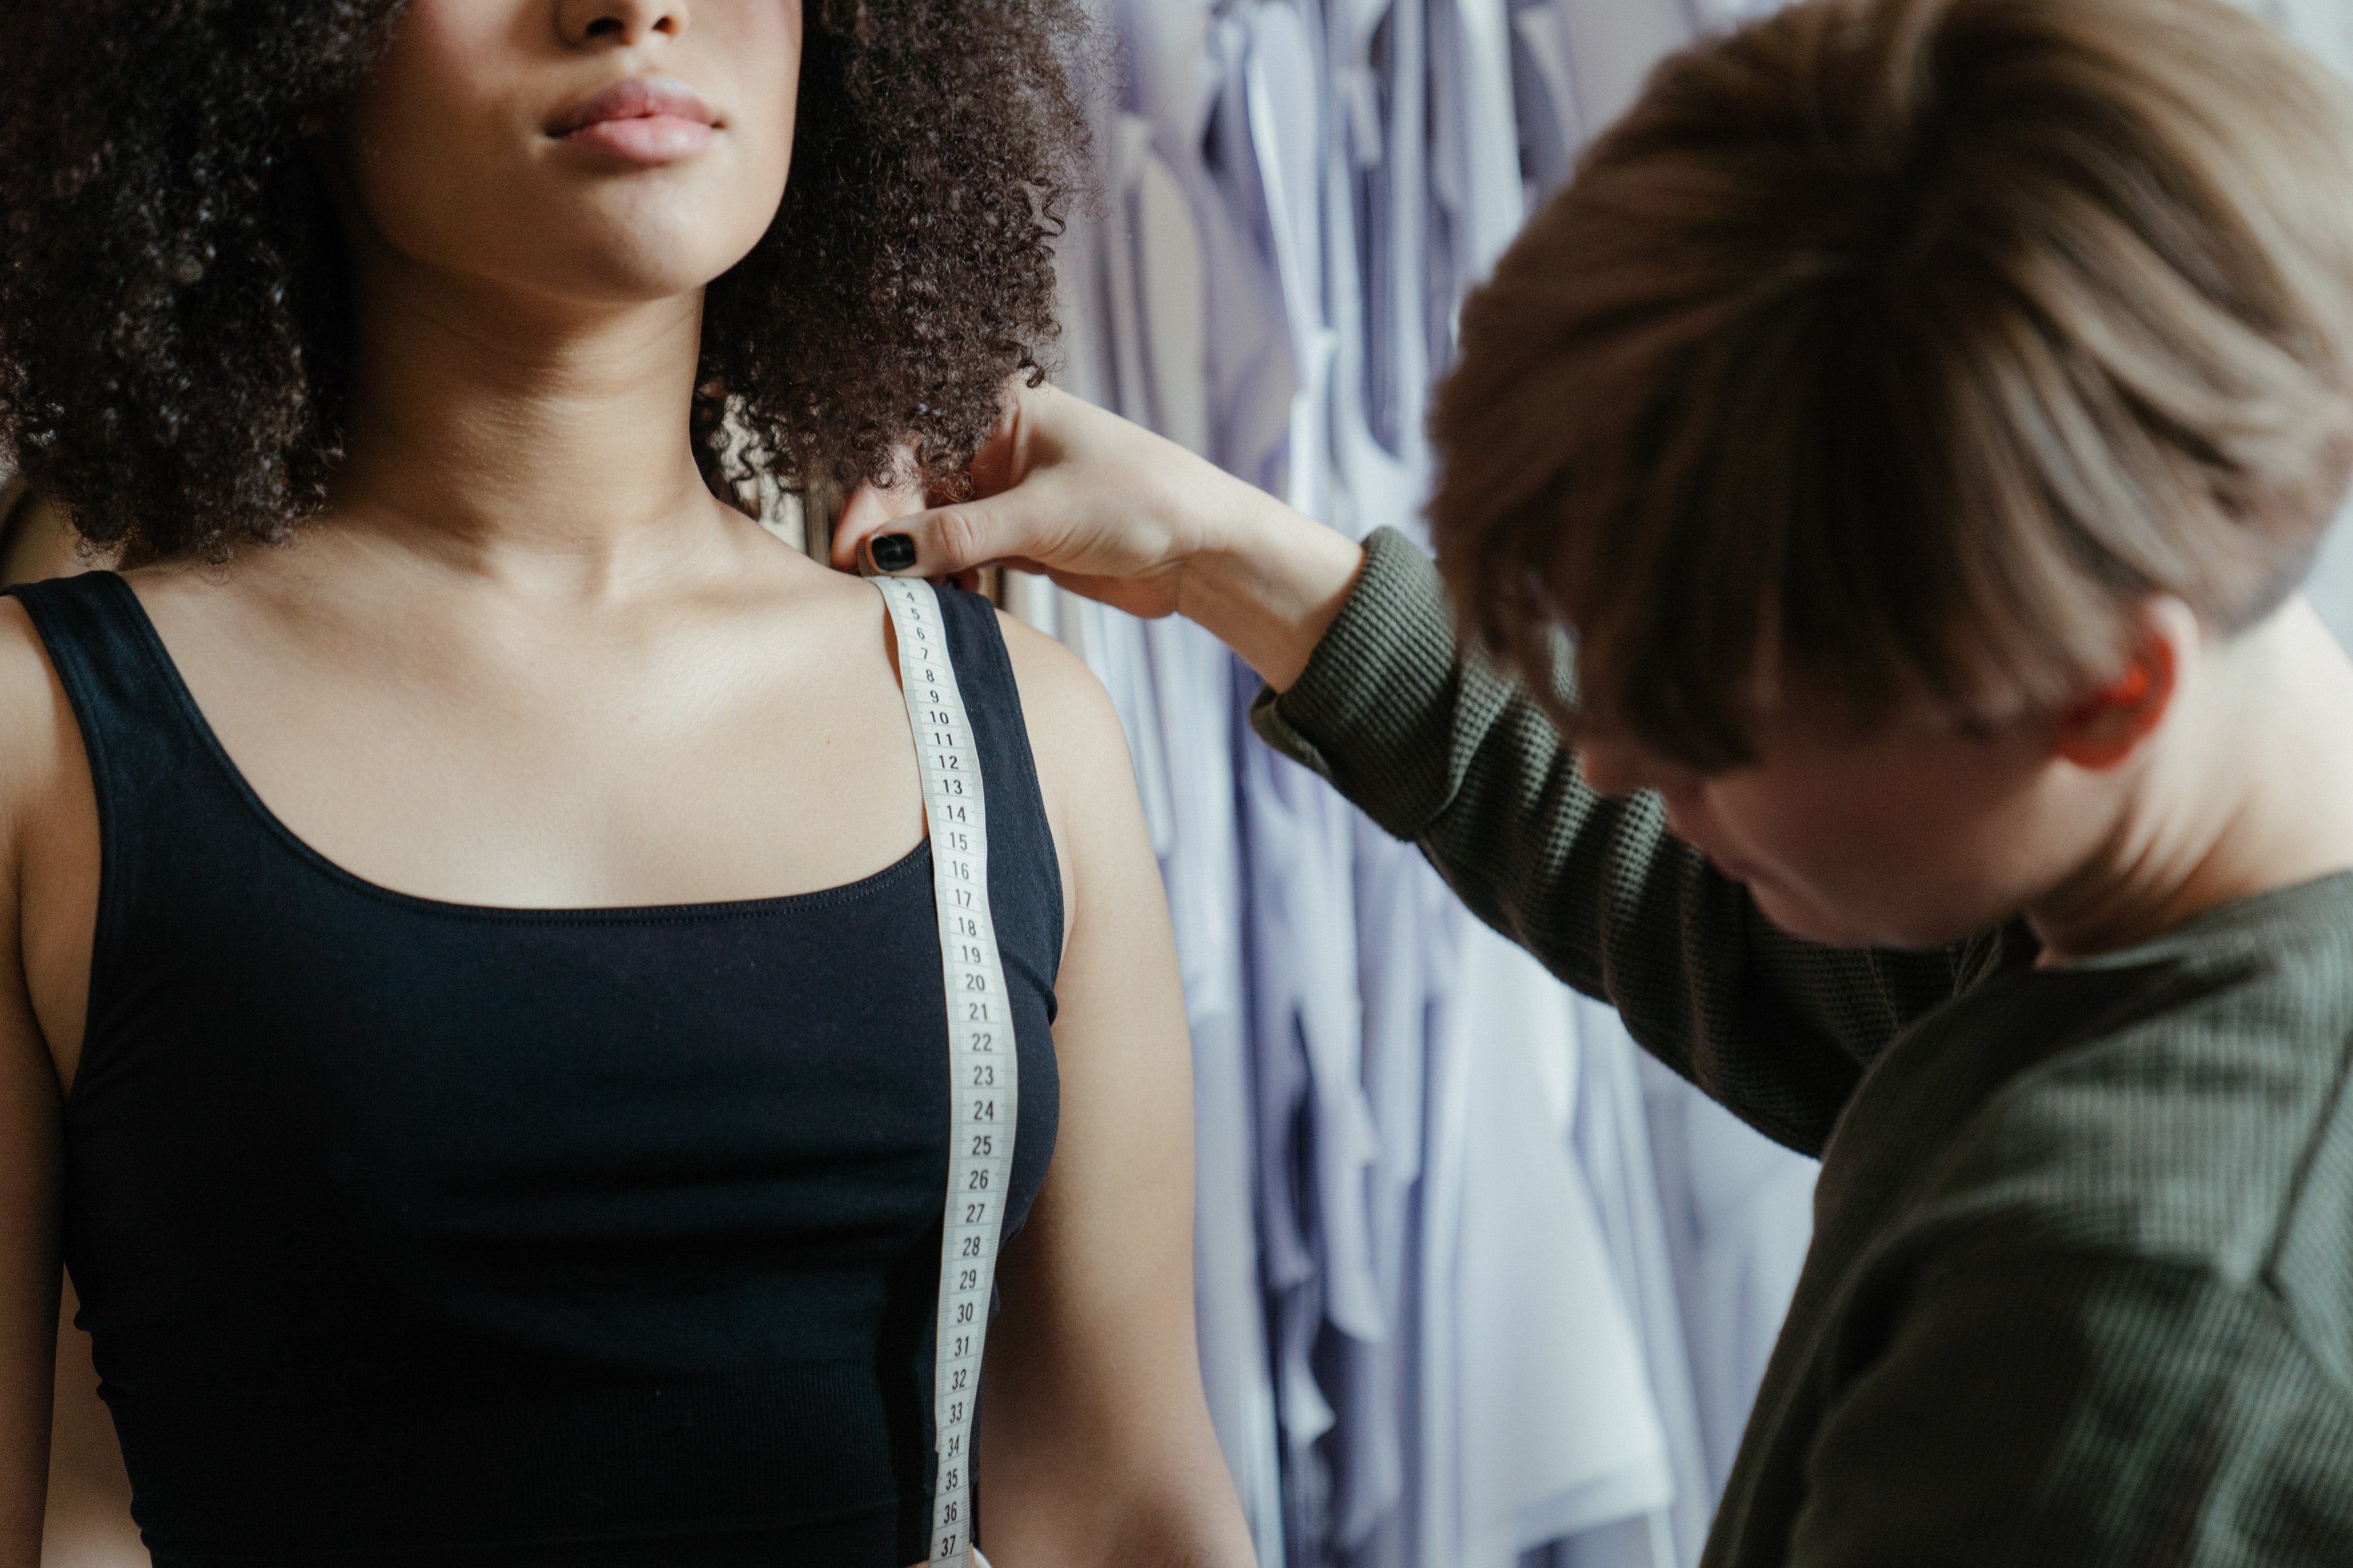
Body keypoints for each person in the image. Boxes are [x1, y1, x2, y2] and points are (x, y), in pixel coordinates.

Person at [834, 0, 2353, 1561]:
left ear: (2105, 692)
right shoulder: (2107, 924)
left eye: (1704, 725)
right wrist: (1241, 563)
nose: (1617, 753)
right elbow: (1719, 915)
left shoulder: (2142, 1337)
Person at [0, 3, 1254, 1565]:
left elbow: (1125, 1511)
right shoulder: (37, 745)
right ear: (284, 52)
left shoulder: (1024, 738)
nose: (629, 7)